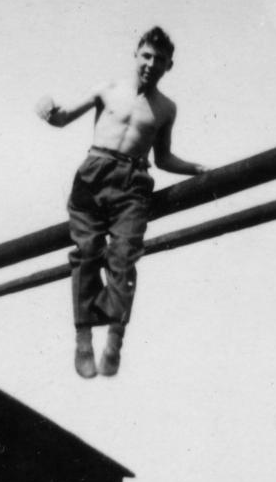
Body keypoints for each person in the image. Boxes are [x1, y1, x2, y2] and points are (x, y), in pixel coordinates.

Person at [36, 27, 207, 378]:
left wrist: (197, 169)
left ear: (169, 66)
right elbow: (63, 118)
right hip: (93, 174)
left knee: (124, 256)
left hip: (133, 182)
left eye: (159, 60)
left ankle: (114, 340)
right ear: (136, 55)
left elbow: (163, 158)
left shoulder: (166, 108)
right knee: (87, 253)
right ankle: (84, 340)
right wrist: (48, 110)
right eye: (146, 56)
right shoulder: (107, 89)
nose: (151, 64)